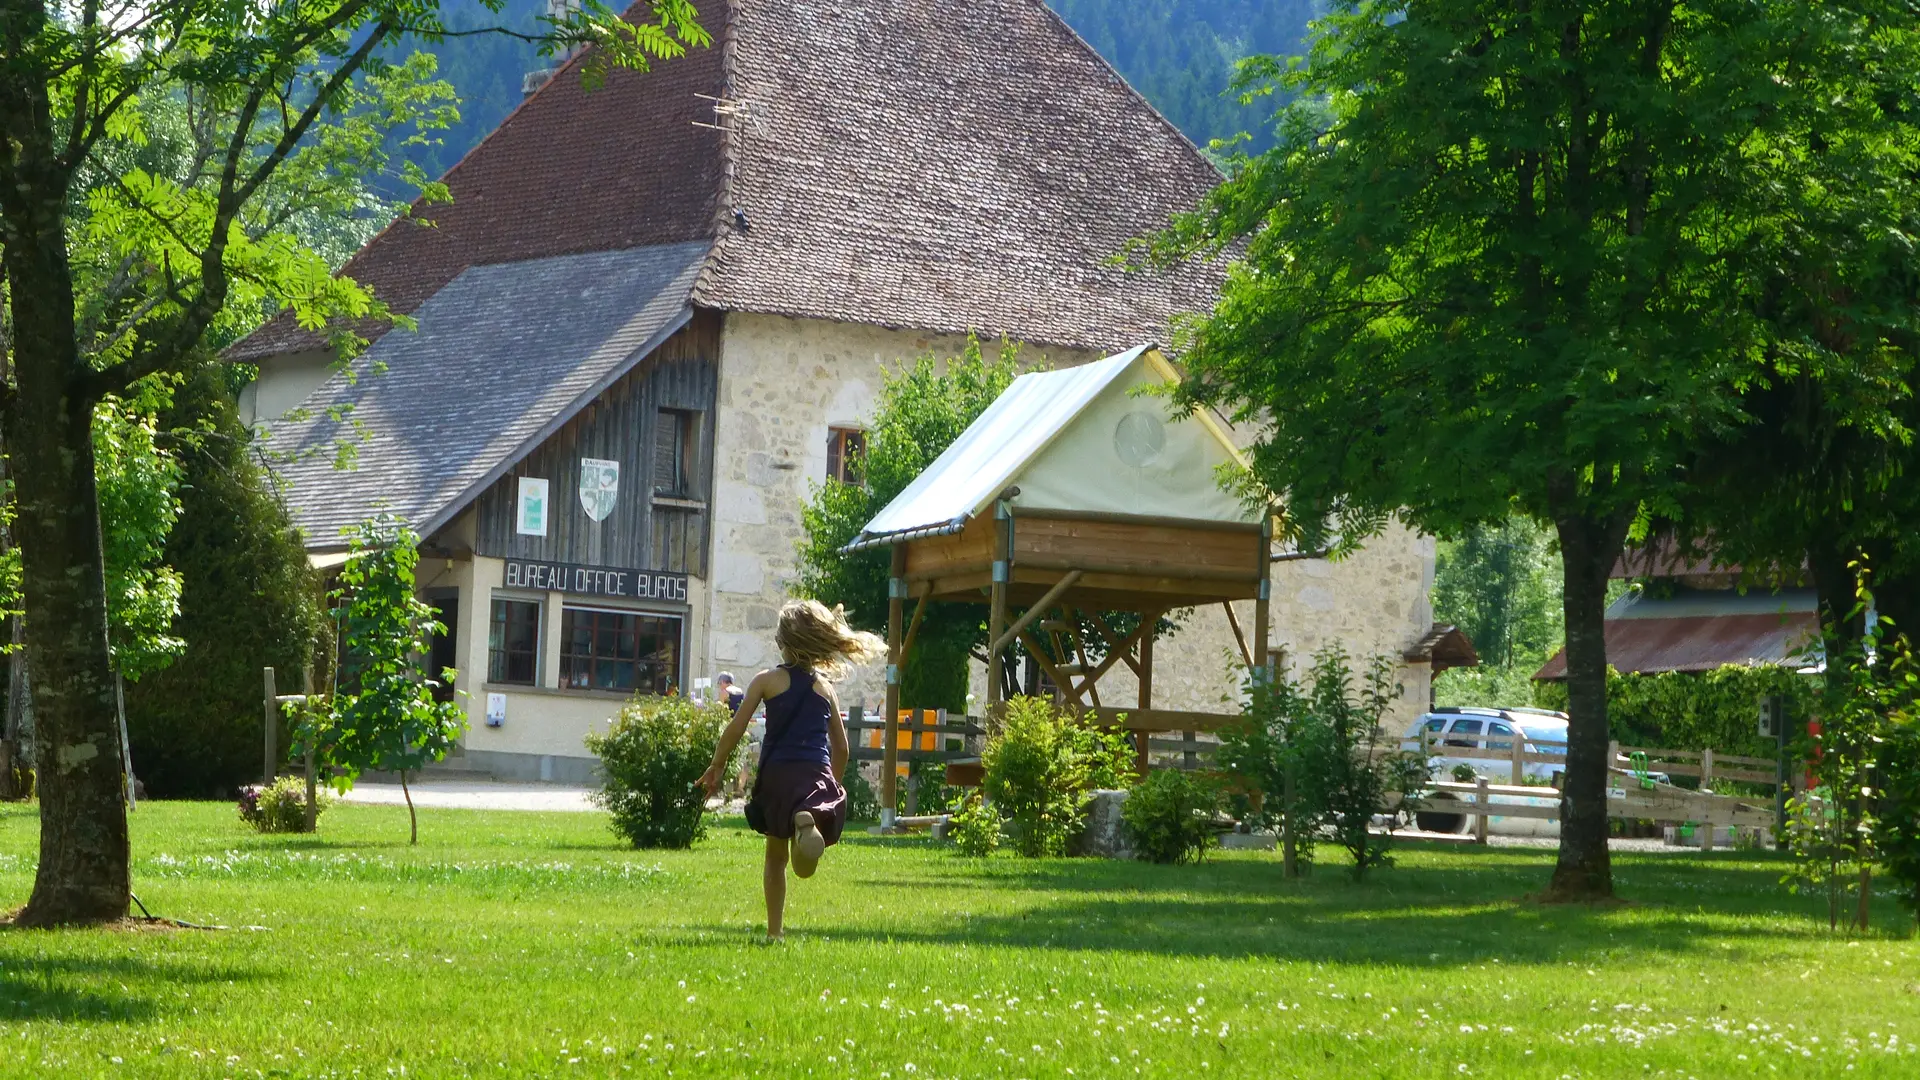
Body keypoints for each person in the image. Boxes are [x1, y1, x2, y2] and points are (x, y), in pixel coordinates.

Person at [699, 600, 884, 941]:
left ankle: (775, 932)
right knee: (805, 868)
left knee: (776, 858)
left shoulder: (766, 680)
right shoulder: (825, 689)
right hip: (814, 774)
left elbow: (737, 727)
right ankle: (807, 819)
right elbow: (841, 748)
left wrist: (717, 764)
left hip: (777, 775)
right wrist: (831, 788)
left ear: (782, 642)